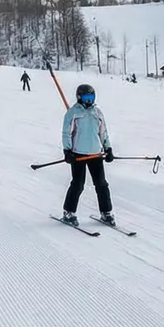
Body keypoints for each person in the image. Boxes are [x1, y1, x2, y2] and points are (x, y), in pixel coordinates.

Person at [60, 83, 116, 227]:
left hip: (95, 154)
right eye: (86, 98)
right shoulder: (73, 113)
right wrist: (67, 151)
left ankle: (106, 212)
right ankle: (69, 212)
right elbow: (66, 133)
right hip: (78, 154)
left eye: (91, 97)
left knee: (101, 184)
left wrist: (108, 148)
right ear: (79, 97)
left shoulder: (97, 112)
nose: (89, 101)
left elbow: (103, 132)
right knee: (78, 184)